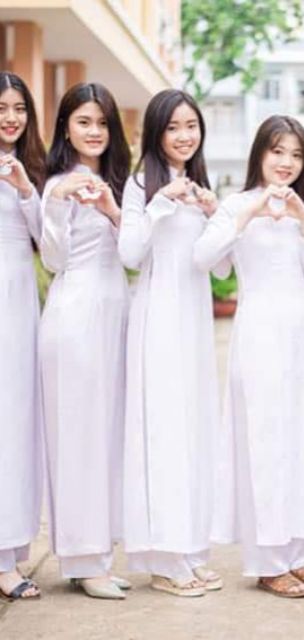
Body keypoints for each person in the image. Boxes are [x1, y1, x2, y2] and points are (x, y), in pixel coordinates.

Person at [194, 115, 304, 599]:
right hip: (258, 334)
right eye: (278, 151)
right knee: (264, 441)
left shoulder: (301, 209)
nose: (286, 162)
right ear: (260, 154)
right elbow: (206, 260)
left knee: (302, 438)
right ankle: (268, 561)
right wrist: (245, 215)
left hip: (301, 334)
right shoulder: (236, 204)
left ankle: (301, 553)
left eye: (296, 154)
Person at [119, 89, 221, 598]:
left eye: (191, 126)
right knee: (163, 429)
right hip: (159, 314)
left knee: (194, 429)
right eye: (174, 127)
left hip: (195, 318)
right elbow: (130, 253)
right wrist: (161, 203)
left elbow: (217, 265)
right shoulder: (141, 185)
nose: (184, 136)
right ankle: (163, 559)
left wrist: (217, 214)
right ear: (156, 134)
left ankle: (190, 550)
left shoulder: (202, 186)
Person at [40, 83, 130, 599]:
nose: (94, 132)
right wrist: (57, 202)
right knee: (77, 433)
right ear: (66, 128)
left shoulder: (119, 182)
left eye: (102, 123)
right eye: (83, 122)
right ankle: (81, 557)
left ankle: (97, 555)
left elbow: (135, 252)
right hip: (75, 314)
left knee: (107, 435)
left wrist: (114, 209)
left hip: (114, 313)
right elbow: (54, 259)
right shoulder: (56, 184)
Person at [0, 71, 46, 601]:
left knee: (16, 423)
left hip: (18, 305)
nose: (11, 118)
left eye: (19, 108)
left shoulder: (33, 168)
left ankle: (10, 551)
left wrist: (26, 190)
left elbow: (46, 241)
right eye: (2, 108)